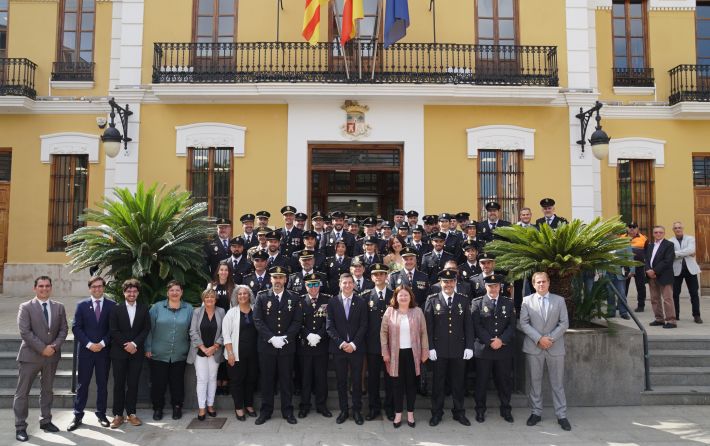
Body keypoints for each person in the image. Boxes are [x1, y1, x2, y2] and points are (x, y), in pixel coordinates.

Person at [13, 276, 68, 442]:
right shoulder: (26, 307)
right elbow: (25, 332)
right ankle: (20, 427)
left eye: (47, 286)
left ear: (51, 288)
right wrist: (42, 348)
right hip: (30, 356)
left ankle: (46, 421)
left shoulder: (59, 307)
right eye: (41, 286)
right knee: (22, 393)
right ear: (35, 288)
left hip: (51, 357)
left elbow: (64, 330)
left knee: (47, 390)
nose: (44, 289)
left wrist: (53, 347)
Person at [520, 272, 571, 431]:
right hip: (534, 347)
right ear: (533, 285)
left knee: (557, 383)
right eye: (538, 282)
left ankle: (561, 415)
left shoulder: (559, 300)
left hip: (554, 347)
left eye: (544, 282)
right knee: (535, 382)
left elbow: (564, 323)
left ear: (549, 283)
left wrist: (549, 338)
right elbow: (523, 323)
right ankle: (536, 413)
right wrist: (539, 339)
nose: (541, 285)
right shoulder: (527, 301)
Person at [252, 266, 303, 425]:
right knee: (267, 380)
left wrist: (285, 338)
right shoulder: (261, 297)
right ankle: (265, 411)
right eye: (275, 277)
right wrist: (272, 338)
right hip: (267, 347)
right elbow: (258, 320)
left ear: (285, 280)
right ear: (270, 279)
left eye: (281, 278)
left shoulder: (294, 298)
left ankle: (287, 411)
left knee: (286, 380)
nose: (278, 281)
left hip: (287, 347)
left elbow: (297, 321)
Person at [424, 270, 474, 427]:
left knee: (458, 383)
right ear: (440, 283)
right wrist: (430, 347)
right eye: (445, 282)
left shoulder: (463, 300)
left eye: (451, 281)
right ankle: (436, 413)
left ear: (455, 282)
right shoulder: (432, 300)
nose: (448, 284)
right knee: (438, 384)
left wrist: (469, 346)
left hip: (459, 349)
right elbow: (428, 327)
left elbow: (468, 325)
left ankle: (459, 412)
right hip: (439, 350)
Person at [68, 276, 116, 431]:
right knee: (83, 384)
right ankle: (77, 415)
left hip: (103, 352)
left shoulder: (112, 305)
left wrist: (102, 344)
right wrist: (89, 344)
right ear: (90, 288)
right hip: (86, 352)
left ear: (104, 287)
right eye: (94, 286)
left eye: (100, 286)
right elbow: (76, 328)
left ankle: (101, 414)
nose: (97, 289)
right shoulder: (81, 305)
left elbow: (112, 329)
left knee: (102, 384)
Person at [381, 286, 429, 428]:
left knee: (411, 385)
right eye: (400, 295)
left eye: (406, 295)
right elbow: (383, 333)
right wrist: (385, 351)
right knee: (397, 385)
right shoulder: (390, 311)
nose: (403, 298)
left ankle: (410, 413)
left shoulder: (418, 311)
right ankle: (397, 414)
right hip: (395, 354)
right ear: (395, 297)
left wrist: (425, 351)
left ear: (410, 297)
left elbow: (424, 333)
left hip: (413, 354)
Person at [145, 280, 193, 421]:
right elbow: (149, 329)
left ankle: (177, 407)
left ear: (181, 292)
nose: (174, 293)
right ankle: (158, 408)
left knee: (177, 382)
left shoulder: (189, 309)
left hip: (180, 353)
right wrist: (148, 347)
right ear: (167, 292)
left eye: (177, 290)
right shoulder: (156, 308)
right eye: (172, 290)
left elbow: (192, 330)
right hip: (158, 353)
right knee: (158, 383)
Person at [471, 274, 516, 424]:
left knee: (504, 382)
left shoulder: (508, 303)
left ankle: (506, 409)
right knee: (481, 382)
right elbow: (476, 326)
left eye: (496, 286)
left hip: (503, 350)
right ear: (485, 286)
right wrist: (490, 341)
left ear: (500, 287)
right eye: (490, 286)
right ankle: (480, 410)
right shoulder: (477, 303)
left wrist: (501, 340)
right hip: (484, 350)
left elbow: (512, 326)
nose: (493, 288)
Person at [326, 273, 368, 425]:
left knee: (357, 381)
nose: (348, 285)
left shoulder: (361, 302)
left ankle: (357, 410)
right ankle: (344, 410)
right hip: (339, 350)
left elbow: (364, 325)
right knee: (341, 381)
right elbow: (330, 327)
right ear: (340, 284)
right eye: (345, 283)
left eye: (350, 283)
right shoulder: (332, 302)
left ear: (354, 285)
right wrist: (342, 344)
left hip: (356, 349)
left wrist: (354, 344)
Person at [108, 279, 151, 429]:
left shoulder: (144, 309)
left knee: (133, 384)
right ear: (124, 292)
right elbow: (113, 330)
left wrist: (134, 344)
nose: (131, 294)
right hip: (119, 353)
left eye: (134, 291)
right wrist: (126, 344)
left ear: (138, 293)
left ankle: (131, 414)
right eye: (129, 291)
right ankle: (118, 415)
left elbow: (146, 329)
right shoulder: (116, 309)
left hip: (136, 352)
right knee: (119, 384)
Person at [361, 264, 394, 421]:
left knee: (390, 378)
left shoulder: (394, 295)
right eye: (376, 274)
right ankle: (373, 408)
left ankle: (390, 408)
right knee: (373, 378)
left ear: (386, 276)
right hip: (373, 345)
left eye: (382, 274)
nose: (379, 277)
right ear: (372, 277)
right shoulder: (366, 296)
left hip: (391, 345)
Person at [187, 287, 225, 420]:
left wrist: (214, 347)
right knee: (202, 380)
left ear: (216, 299)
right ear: (203, 299)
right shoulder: (197, 312)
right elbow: (192, 331)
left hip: (215, 351)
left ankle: (210, 405)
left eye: (212, 297)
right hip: (200, 351)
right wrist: (203, 348)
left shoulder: (221, 311)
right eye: (207, 297)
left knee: (212, 378)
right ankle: (202, 408)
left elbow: (224, 332)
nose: (210, 299)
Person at [298, 274, 332, 419]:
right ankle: (304, 406)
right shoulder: (299, 300)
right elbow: (296, 321)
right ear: (306, 286)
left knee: (321, 377)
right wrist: (307, 335)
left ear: (320, 285)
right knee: (305, 377)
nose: (313, 288)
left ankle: (321, 405)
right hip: (305, 345)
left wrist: (319, 335)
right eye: (310, 285)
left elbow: (329, 321)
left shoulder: (327, 300)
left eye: (315, 284)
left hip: (321, 345)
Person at [223, 285, 259, 421]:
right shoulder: (231, 313)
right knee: (237, 381)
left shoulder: (256, 310)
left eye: (245, 293)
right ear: (236, 297)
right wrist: (230, 353)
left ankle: (249, 405)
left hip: (254, 354)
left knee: (251, 380)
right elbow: (226, 335)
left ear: (249, 295)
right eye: (239, 294)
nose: (242, 296)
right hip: (236, 354)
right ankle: (239, 407)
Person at [645, 225, 677, 328]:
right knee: (654, 299)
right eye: (656, 232)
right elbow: (646, 260)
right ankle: (659, 319)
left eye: (660, 232)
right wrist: (648, 270)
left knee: (667, 299)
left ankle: (671, 321)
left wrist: (654, 271)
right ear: (653, 234)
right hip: (651, 276)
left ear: (664, 233)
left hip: (664, 276)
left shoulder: (669, 245)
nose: (658, 234)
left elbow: (667, 261)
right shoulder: (649, 245)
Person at [671, 222, 703, 324]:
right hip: (676, 270)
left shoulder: (690, 238)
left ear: (683, 228)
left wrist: (676, 254)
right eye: (675, 228)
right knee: (675, 294)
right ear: (673, 230)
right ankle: (675, 315)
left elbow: (691, 250)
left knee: (694, 294)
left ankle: (696, 315)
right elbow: (670, 254)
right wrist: (687, 253)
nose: (678, 229)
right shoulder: (670, 241)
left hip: (691, 270)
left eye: (679, 227)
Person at [624, 222, 648, 311]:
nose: (632, 228)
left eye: (634, 227)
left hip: (639, 266)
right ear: (627, 228)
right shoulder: (622, 238)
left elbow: (647, 252)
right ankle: (622, 304)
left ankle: (641, 305)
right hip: (625, 266)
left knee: (640, 286)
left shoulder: (644, 238)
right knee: (624, 285)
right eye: (630, 226)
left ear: (637, 228)